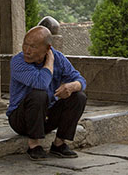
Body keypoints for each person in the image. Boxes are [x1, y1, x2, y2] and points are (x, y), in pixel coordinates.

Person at [7, 25, 87, 160]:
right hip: (21, 119)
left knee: (79, 96)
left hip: (46, 116)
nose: (27, 50)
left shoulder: (59, 58)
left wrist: (72, 86)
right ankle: (34, 145)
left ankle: (59, 144)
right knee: (39, 94)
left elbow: (81, 81)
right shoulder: (18, 61)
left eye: (33, 47)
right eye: (25, 44)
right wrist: (49, 61)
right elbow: (41, 84)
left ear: (47, 48)